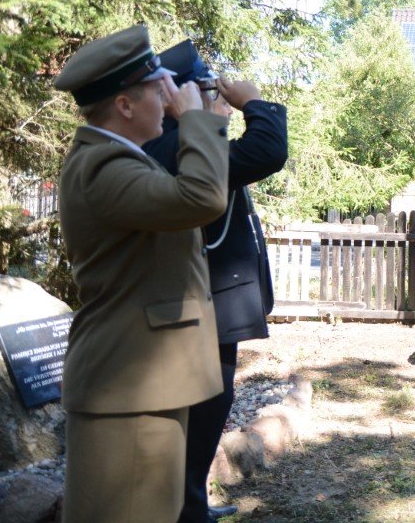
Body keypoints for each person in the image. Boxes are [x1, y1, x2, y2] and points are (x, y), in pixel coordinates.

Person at [53, 26, 229, 523]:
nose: (169, 97)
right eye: (159, 89)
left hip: (142, 384)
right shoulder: (103, 167)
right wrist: (196, 119)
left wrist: (201, 121)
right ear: (125, 106)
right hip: (128, 388)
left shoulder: (119, 159)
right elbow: (201, 199)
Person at [143, 40, 288, 523]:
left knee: (210, 406)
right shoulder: (181, 146)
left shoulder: (189, 141)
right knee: (202, 410)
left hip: (214, 298)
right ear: (178, 96)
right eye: (206, 89)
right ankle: (185, 511)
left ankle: (192, 504)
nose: (215, 98)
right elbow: (267, 149)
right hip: (203, 300)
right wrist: (254, 104)